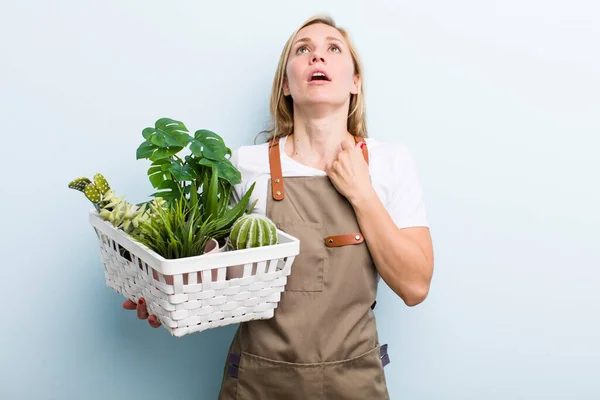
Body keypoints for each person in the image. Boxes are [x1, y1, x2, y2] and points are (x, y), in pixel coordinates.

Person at [125, 14, 434, 399]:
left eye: (333, 49)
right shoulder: (244, 165)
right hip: (257, 383)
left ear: (355, 82)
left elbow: (415, 285)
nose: (317, 57)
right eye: (303, 49)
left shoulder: (390, 163)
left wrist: (362, 193)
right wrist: (163, 297)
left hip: (355, 384)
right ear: (286, 83)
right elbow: (206, 269)